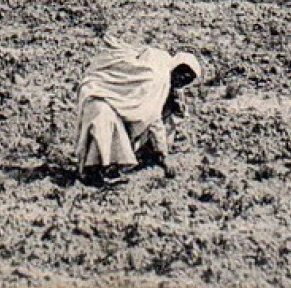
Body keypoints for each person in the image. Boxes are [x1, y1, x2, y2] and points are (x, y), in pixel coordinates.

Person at [75, 38, 203, 187]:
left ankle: (104, 170)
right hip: (100, 94)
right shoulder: (159, 78)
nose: (182, 80)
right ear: (178, 66)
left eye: (188, 80)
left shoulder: (163, 62)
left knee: (116, 131)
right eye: (182, 74)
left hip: (105, 95)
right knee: (105, 128)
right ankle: (92, 173)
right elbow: (153, 118)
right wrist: (164, 155)